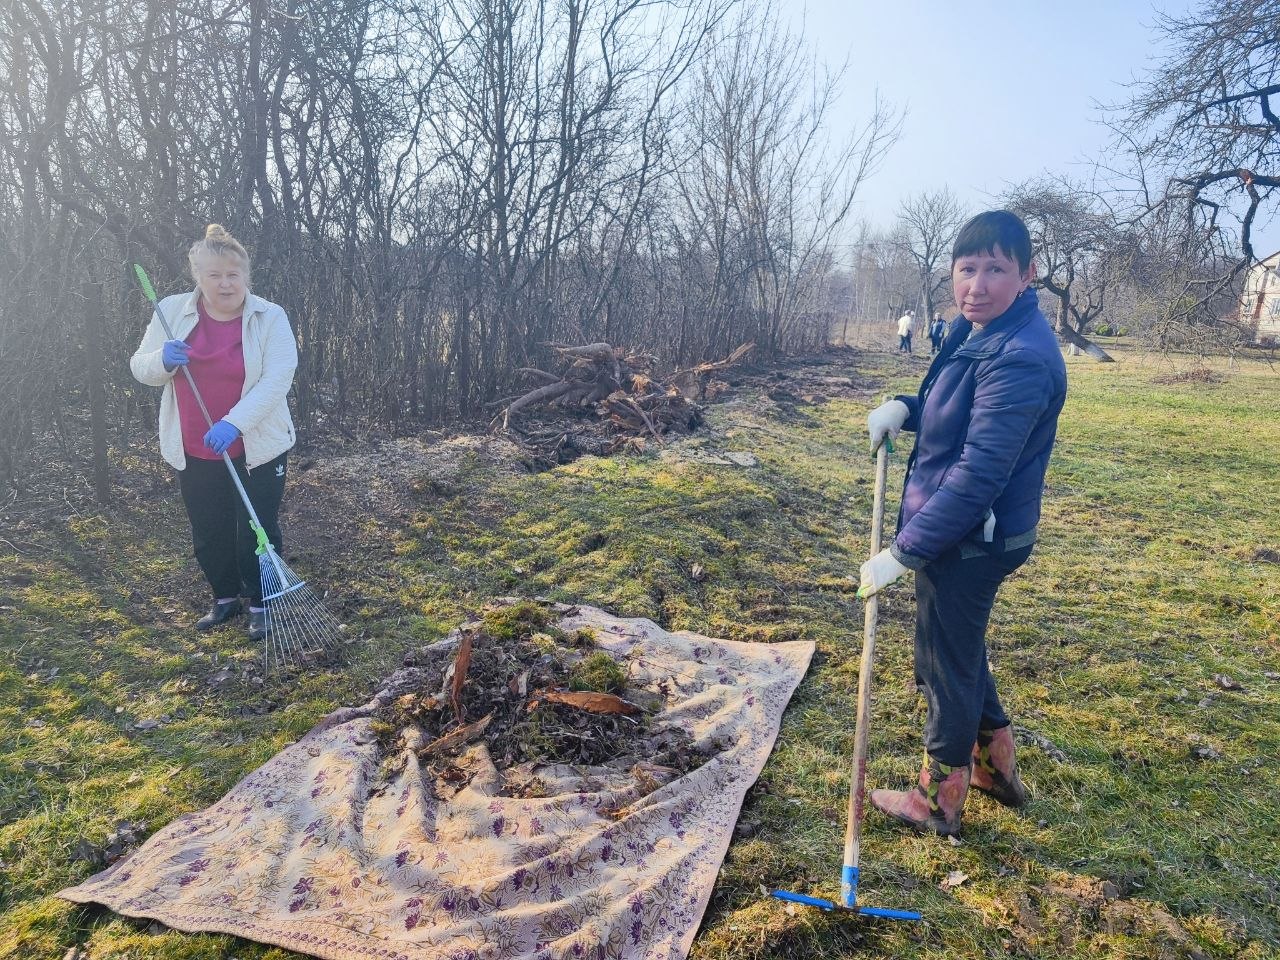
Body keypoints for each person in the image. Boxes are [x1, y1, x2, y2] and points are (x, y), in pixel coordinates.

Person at [859, 210, 1067, 836]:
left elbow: (979, 473)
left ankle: (938, 800)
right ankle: (993, 766)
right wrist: (907, 407)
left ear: (1027, 274)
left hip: (974, 536)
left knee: (943, 662)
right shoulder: (978, 331)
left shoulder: (1020, 357)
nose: (976, 285)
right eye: (966, 268)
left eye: (996, 269)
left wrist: (905, 551)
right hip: (962, 529)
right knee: (959, 648)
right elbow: (954, 412)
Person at [131, 224, 298, 642]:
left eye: (233, 275)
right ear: (198, 277)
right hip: (194, 445)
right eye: (214, 275)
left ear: (246, 276)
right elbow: (140, 367)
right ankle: (224, 597)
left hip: (258, 447)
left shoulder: (269, 317)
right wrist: (162, 360)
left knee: (257, 527)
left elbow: (277, 379)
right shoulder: (171, 312)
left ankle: (261, 602)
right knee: (208, 529)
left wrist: (233, 423)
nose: (225, 284)